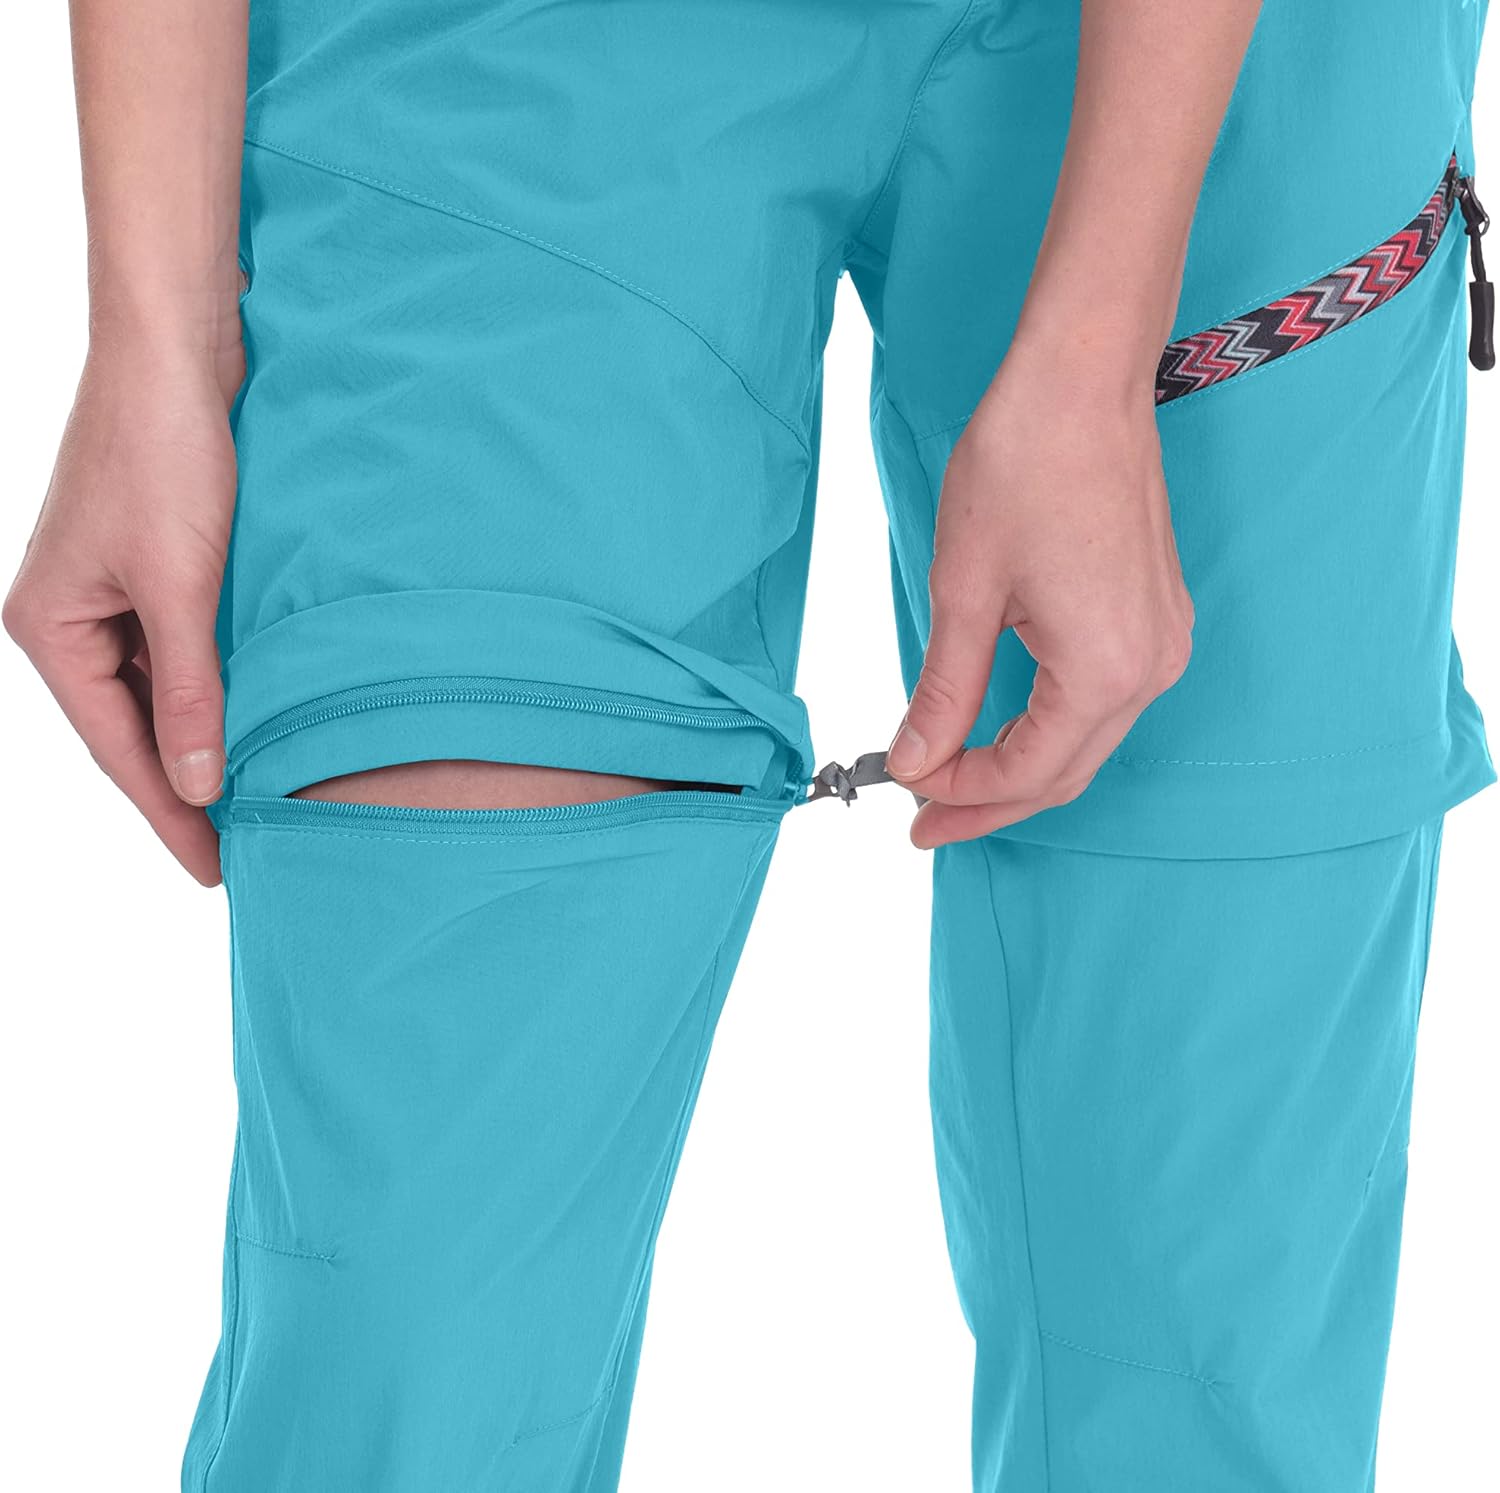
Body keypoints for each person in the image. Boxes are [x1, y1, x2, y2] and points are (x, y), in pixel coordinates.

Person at [6, 0, 1494, 1487]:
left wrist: (1098, 344)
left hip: (1236, 58)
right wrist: (156, 331)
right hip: (515, 59)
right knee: (409, 1323)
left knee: (1204, 1324)